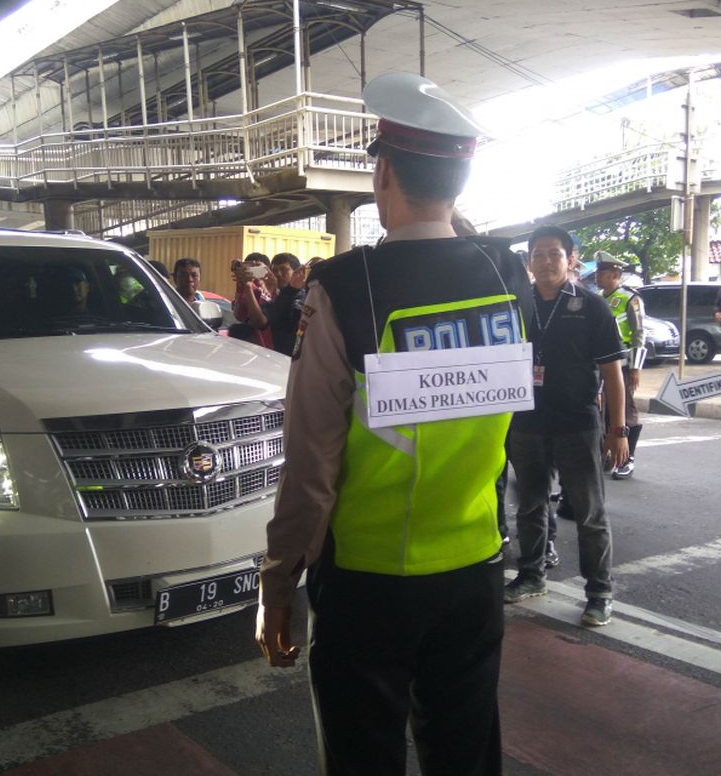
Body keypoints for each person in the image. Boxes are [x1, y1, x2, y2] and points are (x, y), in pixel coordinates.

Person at [255, 71, 533, 776]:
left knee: (362, 759)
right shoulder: (510, 276)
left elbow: (311, 464)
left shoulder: (347, 287)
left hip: (370, 578)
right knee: (466, 755)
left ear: (383, 174)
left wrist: (278, 579)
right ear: (457, 181)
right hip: (475, 567)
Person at [503, 226, 627, 628]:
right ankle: (531, 575)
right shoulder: (517, 306)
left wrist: (618, 429)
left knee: (590, 513)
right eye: (537, 254)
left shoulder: (592, 307)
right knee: (531, 506)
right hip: (526, 423)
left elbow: (613, 373)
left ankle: (599, 593)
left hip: (577, 425)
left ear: (571, 258)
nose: (544, 261)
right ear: (529, 262)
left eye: (553, 254)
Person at [594, 250, 645, 480]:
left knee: (625, 410)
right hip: (598, 364)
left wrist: (635, 368)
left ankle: (627, 458)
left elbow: (639, 334)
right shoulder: (597, 298)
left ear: (615, 274)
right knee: (603, 411)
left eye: (603, 273)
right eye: (598, 273)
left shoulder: (629, 299)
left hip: (622, 364)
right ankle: (607, 453)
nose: (598, 277)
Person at [259, 252, 307, 357]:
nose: (279, 274)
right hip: (278, 358)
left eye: (284, 269)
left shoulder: (306, 295)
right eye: (275, 270)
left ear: (296, 272)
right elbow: (263, 321)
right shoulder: (276, 296)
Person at [231, 253, 273, 349]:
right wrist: (242, 284)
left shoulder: (272, 288)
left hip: (269, 348)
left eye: (257, 269)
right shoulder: (246, 288)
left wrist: (252, 285)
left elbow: (261, 319)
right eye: (248, 268)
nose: (253, 272)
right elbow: (239, 315)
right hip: (252, 347)